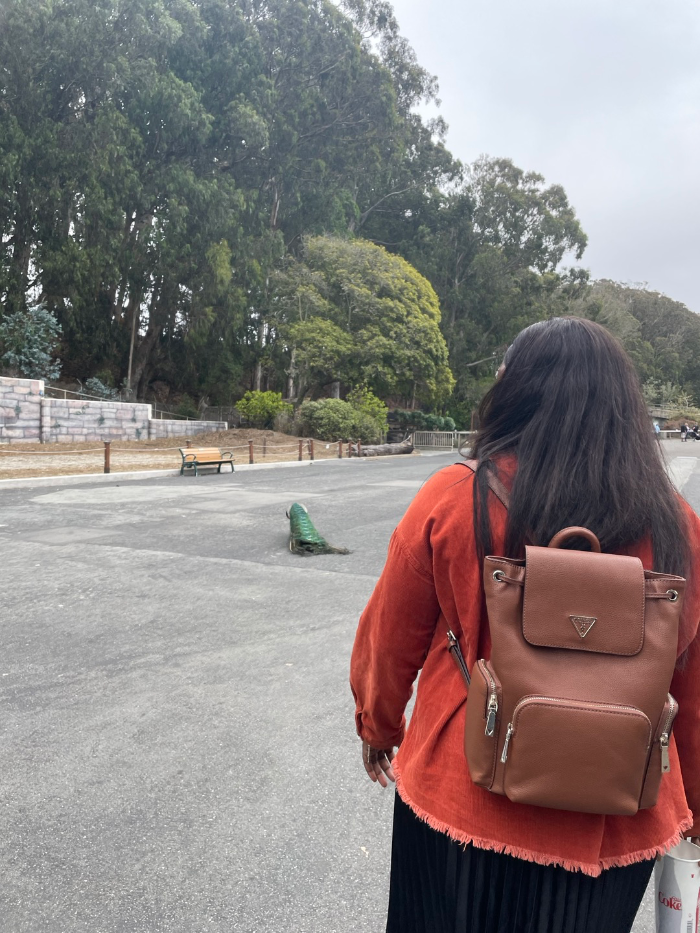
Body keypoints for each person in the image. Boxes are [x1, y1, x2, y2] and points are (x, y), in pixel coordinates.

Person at [350, 317, 700, 933]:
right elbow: (692, 684)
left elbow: (391, 635)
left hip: (464, 799)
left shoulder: (455, 497)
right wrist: (695, 802)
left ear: (512, 391)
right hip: (616, 815)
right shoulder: (679, 528)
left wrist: (378, 725)